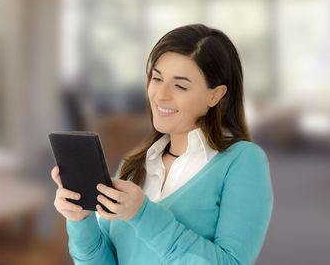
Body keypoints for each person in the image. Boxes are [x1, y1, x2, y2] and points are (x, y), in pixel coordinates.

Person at [51, 24, 273, 264]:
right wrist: (81, 221)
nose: (160, 95)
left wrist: (141, 214)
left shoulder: (243, 161)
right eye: (157, 78)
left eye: (180, 85)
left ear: (215, 95)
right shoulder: (133, 166)